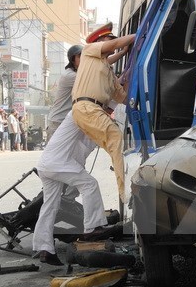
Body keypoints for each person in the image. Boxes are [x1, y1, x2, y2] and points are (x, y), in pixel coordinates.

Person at [32, 111, 111, 265]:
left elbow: (79, 160)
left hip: (46, 165)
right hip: (58, 163)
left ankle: (44, 249)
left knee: (50, 206)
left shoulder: (85, 123)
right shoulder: (78, 113)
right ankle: (92, 227)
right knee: (90, 185)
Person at [72, 22, 134, 203]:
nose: (112, 41)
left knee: (117, 147)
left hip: (92, 110)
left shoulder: (107, 71)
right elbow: (114, 46)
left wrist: (129, 76)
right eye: (108, 39)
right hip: (87, 107)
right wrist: (138, 35)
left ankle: (126, 188)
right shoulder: (89, 50)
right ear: (99, 41)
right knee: (116, 139)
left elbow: (123, 97)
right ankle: (124, 193)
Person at [47, 44, 83, 141]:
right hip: (59, 122)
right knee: (56, 151)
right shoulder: (70, 75)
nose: (84, 59)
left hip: (67, 121)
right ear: (73, 60)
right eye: (80, 56)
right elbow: (93, 77)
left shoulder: (76, 73)